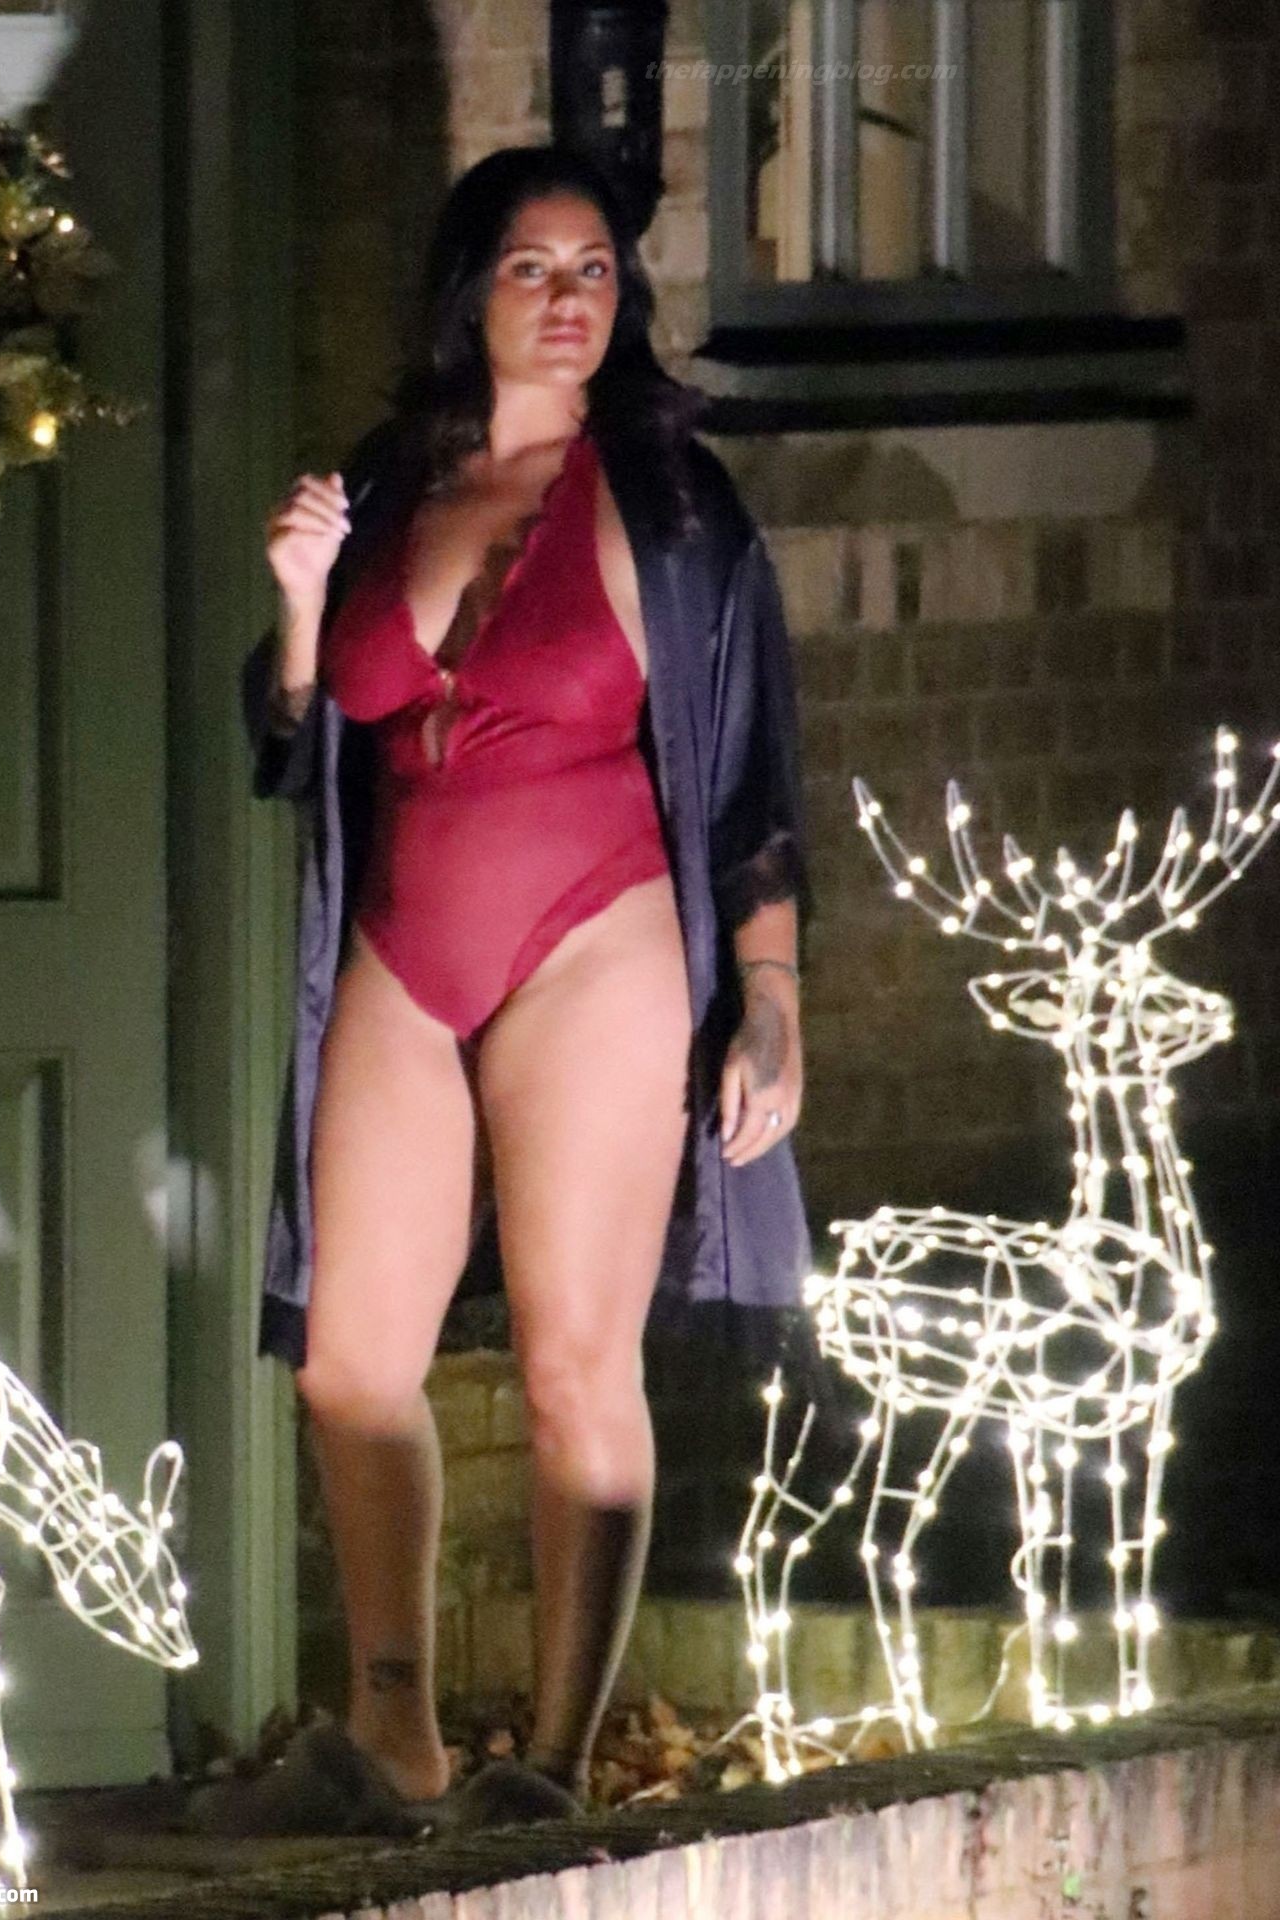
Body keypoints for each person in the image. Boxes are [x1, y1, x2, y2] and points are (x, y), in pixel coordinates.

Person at [214, 144, 815, 1836]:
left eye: (596, 270)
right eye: (533, 268)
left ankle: (551, 1761)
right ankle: (393, 1730)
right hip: (405, 948)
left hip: (593, 940)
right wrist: (299, 609)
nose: (568, 299)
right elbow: (292, 737)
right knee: (348, 1362)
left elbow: (753, 772)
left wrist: (770, 996)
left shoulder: (674, 503)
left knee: (572, 1366)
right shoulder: (389, 478)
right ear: (471, 288)